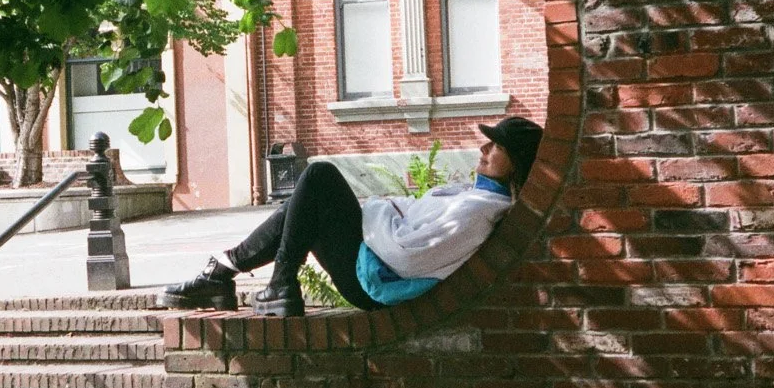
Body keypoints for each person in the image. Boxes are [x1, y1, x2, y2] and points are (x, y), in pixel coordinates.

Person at [163, 116, 544, 317]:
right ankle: (226, 273)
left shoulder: (479, 212)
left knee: (318, 176)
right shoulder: (474, 196)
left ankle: (265, 282)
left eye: (497, 145)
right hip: (373, 264)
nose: (484, 146)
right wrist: (383, 211)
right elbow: (408, 223)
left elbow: (408, 253)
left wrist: (375, 210)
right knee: (303, 202)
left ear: (517, 164)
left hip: (373, 281)